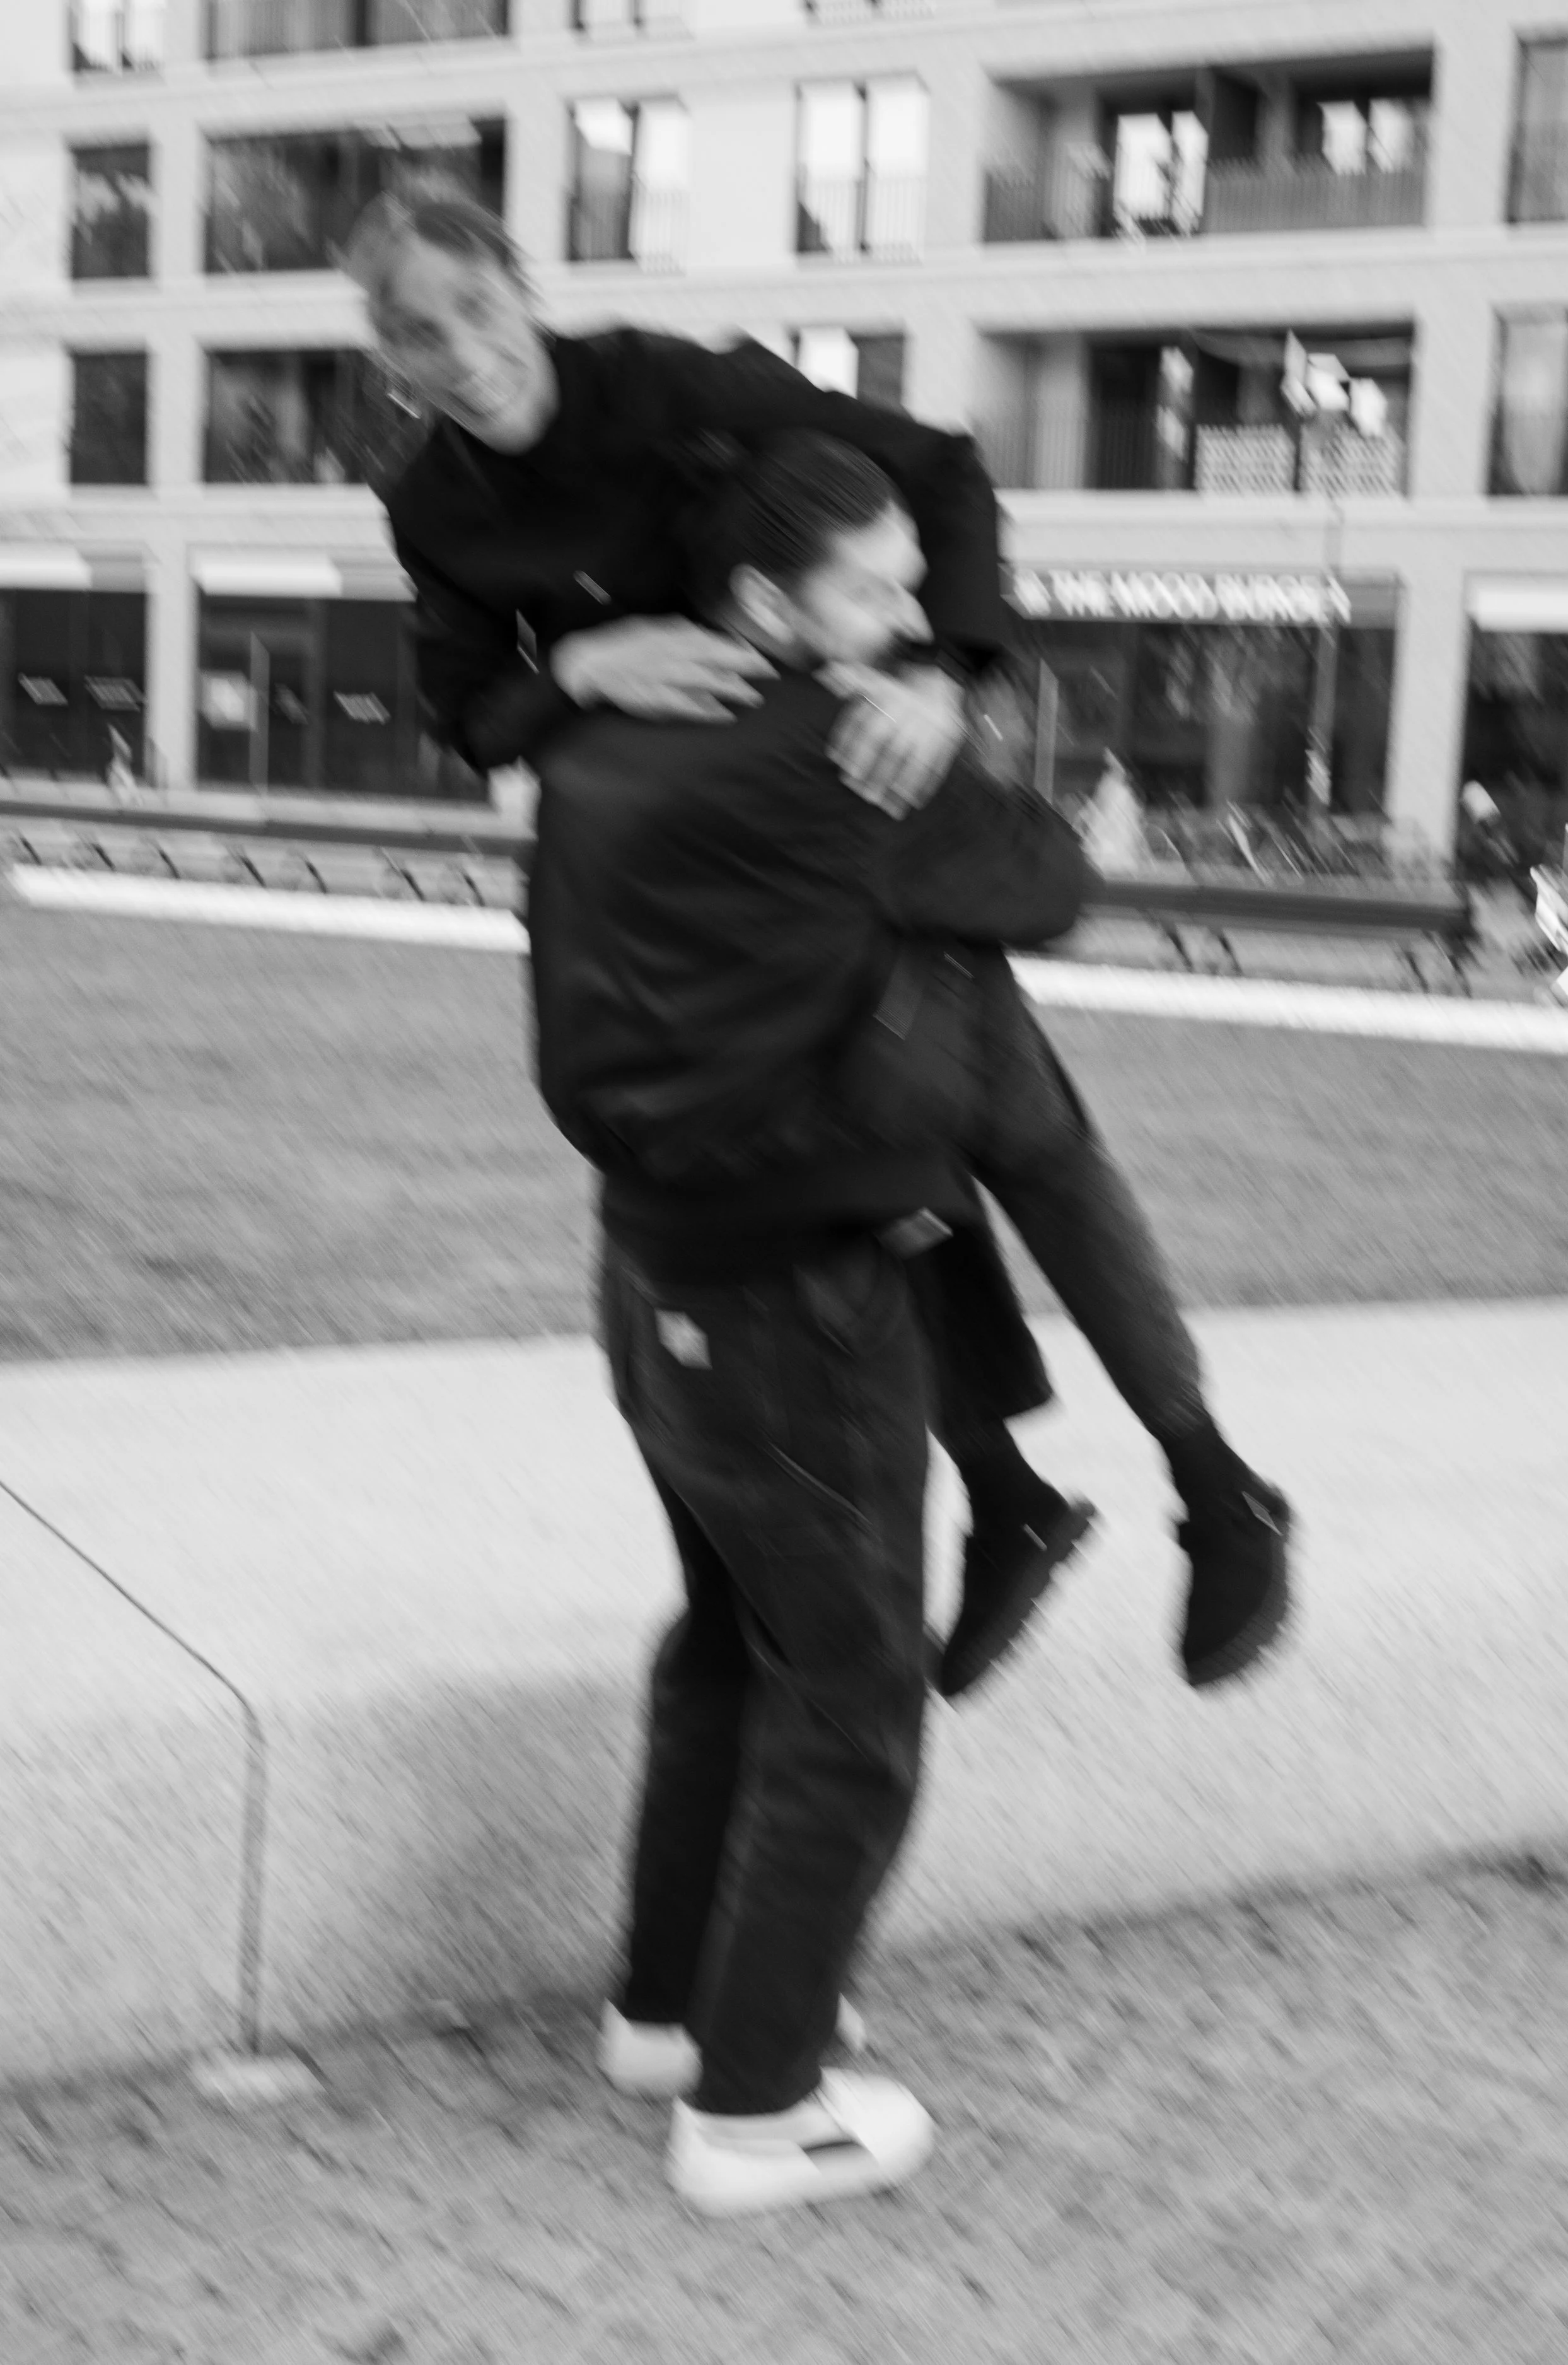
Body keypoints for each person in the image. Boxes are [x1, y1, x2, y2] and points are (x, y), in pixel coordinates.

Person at [345, 187, 1292, 1700]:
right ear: (386, 355)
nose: (461, 354)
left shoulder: (670, 385)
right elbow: (469, 707)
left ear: (524, 289)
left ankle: (1163, 1487)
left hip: (839, 780)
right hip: (706, 870)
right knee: (869, 1165)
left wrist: (946, 674)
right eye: (416, 334)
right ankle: (1071, 1493)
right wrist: (585, 657)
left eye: (476, 309)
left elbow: (937, 476)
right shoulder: (434, 507)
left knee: (993, 1127)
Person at [526, 435, 1090, 2217]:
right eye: (874, 587)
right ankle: (756, 2102)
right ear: (770, 606)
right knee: (848, 1692)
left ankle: (668, 2006)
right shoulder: (852, 755)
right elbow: (1050, 876)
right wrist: (931, 700)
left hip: (651, 1273)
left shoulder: (600, 736)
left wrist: (893, 667)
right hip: (798, 1300)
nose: (913, 614)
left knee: (724, 1636)